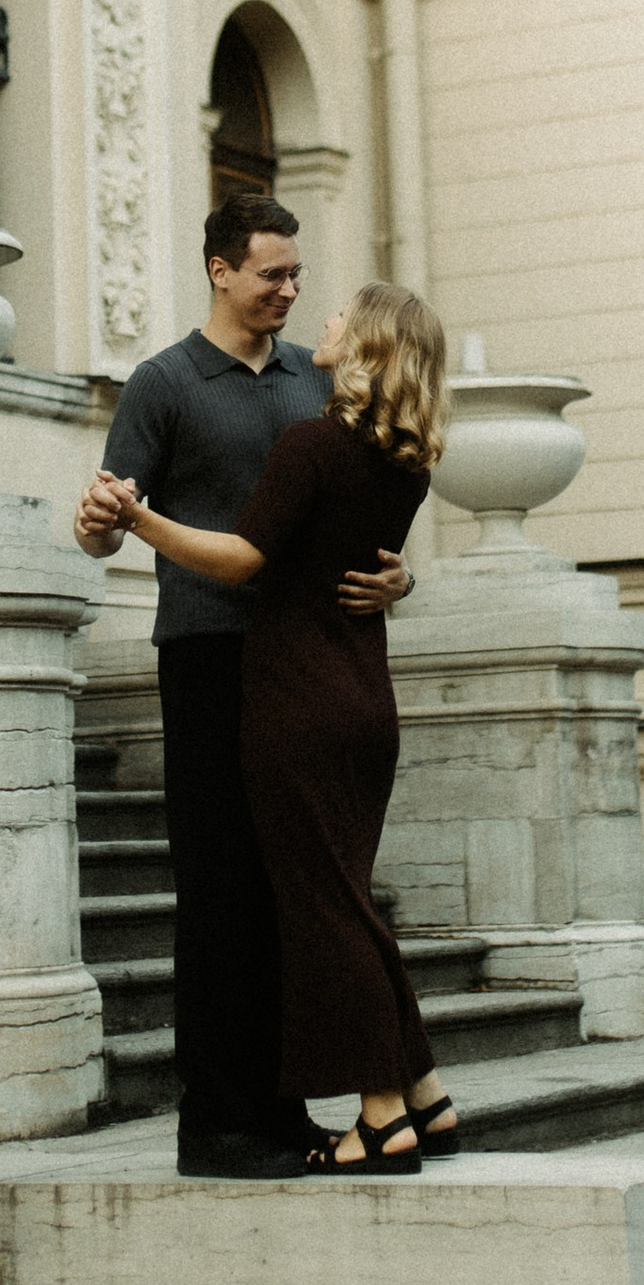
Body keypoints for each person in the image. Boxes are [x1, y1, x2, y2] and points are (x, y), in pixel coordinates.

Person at [74, 195, 415, 1180]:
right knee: (221, 890)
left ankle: (284, 1110)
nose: (290, 291)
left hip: (304, 661)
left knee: (291, 894)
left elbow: (363, 501)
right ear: (220, 271)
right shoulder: (163, 383)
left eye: (297, 275)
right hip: (209, 656)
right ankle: (218, 1123)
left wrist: (400, 577)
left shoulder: (317, 378)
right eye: (272, 274)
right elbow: (105, 525)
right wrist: (98, 523)